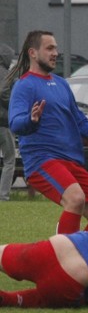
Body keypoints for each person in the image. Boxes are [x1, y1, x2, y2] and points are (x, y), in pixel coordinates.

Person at [8, 30, 88, 233]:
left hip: (72, 162)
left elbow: (81, 123)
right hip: (43, 160)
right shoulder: (24, 85)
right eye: (49, 48)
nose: (55, 53)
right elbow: (15, 123)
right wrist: (31, 120)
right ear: (33, 53)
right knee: (75, 199)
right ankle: (62, 256)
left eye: (56, 48)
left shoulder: (62, 84)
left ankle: (81, 255)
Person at [0, 43, 16, 201]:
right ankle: (3, 196)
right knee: (9, 160)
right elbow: (3, 92)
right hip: (3, 123)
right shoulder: (6, 74)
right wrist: (13, 105)